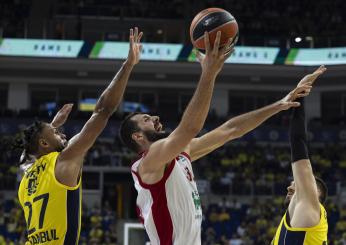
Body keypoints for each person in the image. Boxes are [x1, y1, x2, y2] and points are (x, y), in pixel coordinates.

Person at [119, 30, 316, 245]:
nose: (155, 117)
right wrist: (209, 73)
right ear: (138, 136)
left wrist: (279, 105)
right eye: (146, 119)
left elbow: (230, 130)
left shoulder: (180, 154)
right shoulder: (148, 162)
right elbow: (190, 128)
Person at [17, 27, 143, 245]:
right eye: (57, 132)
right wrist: (128, 65)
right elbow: (103, 111)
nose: (63, 134)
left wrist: (52, 125)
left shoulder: (26, 174)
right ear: (44, 143)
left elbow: (28, 153)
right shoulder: (64, 159)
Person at [272, 65, 328, 245]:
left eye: (295, 184)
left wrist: (300, 98)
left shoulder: (309, 207)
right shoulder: (293, 222)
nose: (289, 187)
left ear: (315, 192)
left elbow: (298, 142)